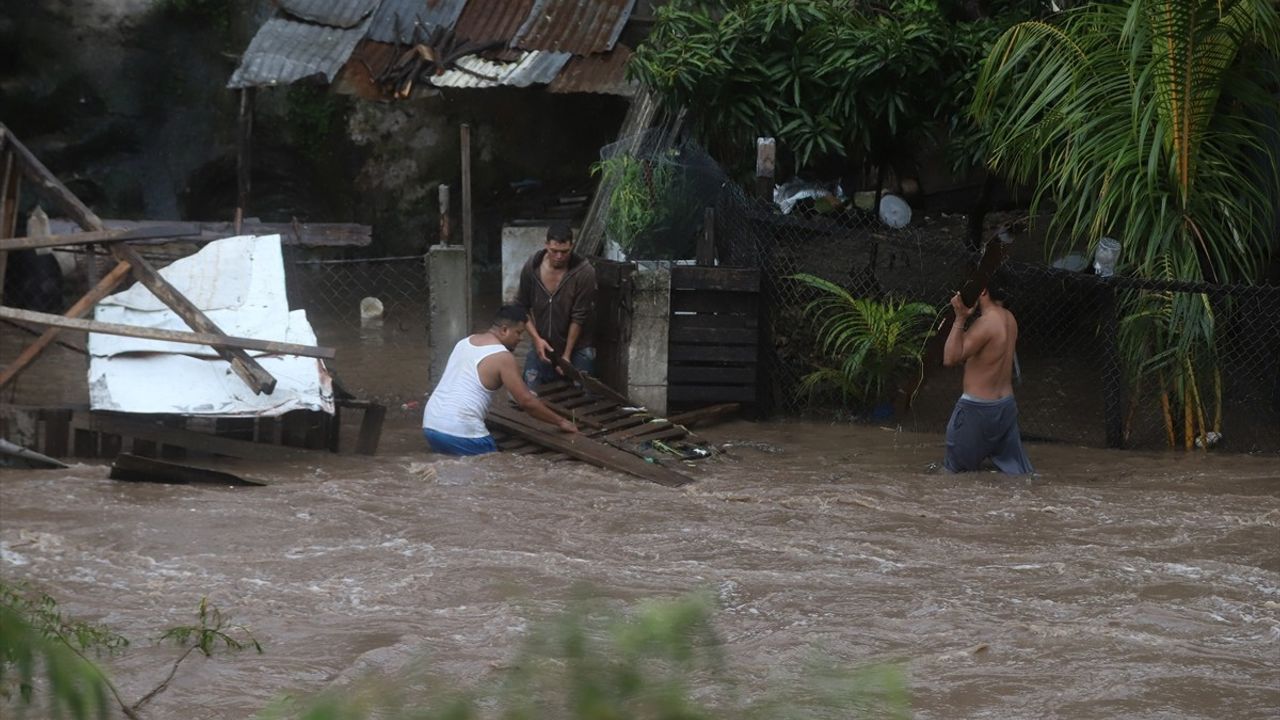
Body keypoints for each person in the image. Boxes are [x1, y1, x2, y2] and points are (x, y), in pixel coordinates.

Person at [422, 304, 577, 456]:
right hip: (462, 434)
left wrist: (524, 392)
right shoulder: (503, 357)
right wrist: (561, 422)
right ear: (504, 330)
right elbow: (526, 402)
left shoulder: (464, 342)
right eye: (518, 333)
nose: (521, 339)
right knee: (497, 466)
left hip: (431, 427)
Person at [941, 280, 1034, 474]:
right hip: (1005, 407)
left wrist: (959, 318)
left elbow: (950, 358)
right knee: (1016, 475)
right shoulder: (1010, 319)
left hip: (977, 409)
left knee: (952, 475)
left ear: (982, 290)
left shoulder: (986, 323)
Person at [515, 222, 597, 388]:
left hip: (578, 346)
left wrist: (566, 356)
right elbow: (521, 306)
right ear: (546, 245)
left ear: (572, 246)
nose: (559, 256)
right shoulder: (532, 267)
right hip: (544, 343)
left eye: (564, 252)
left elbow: (579, 316)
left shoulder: (584, 272)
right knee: (530, 390)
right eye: (554, 251)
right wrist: (537, 339)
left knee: (584, 395)